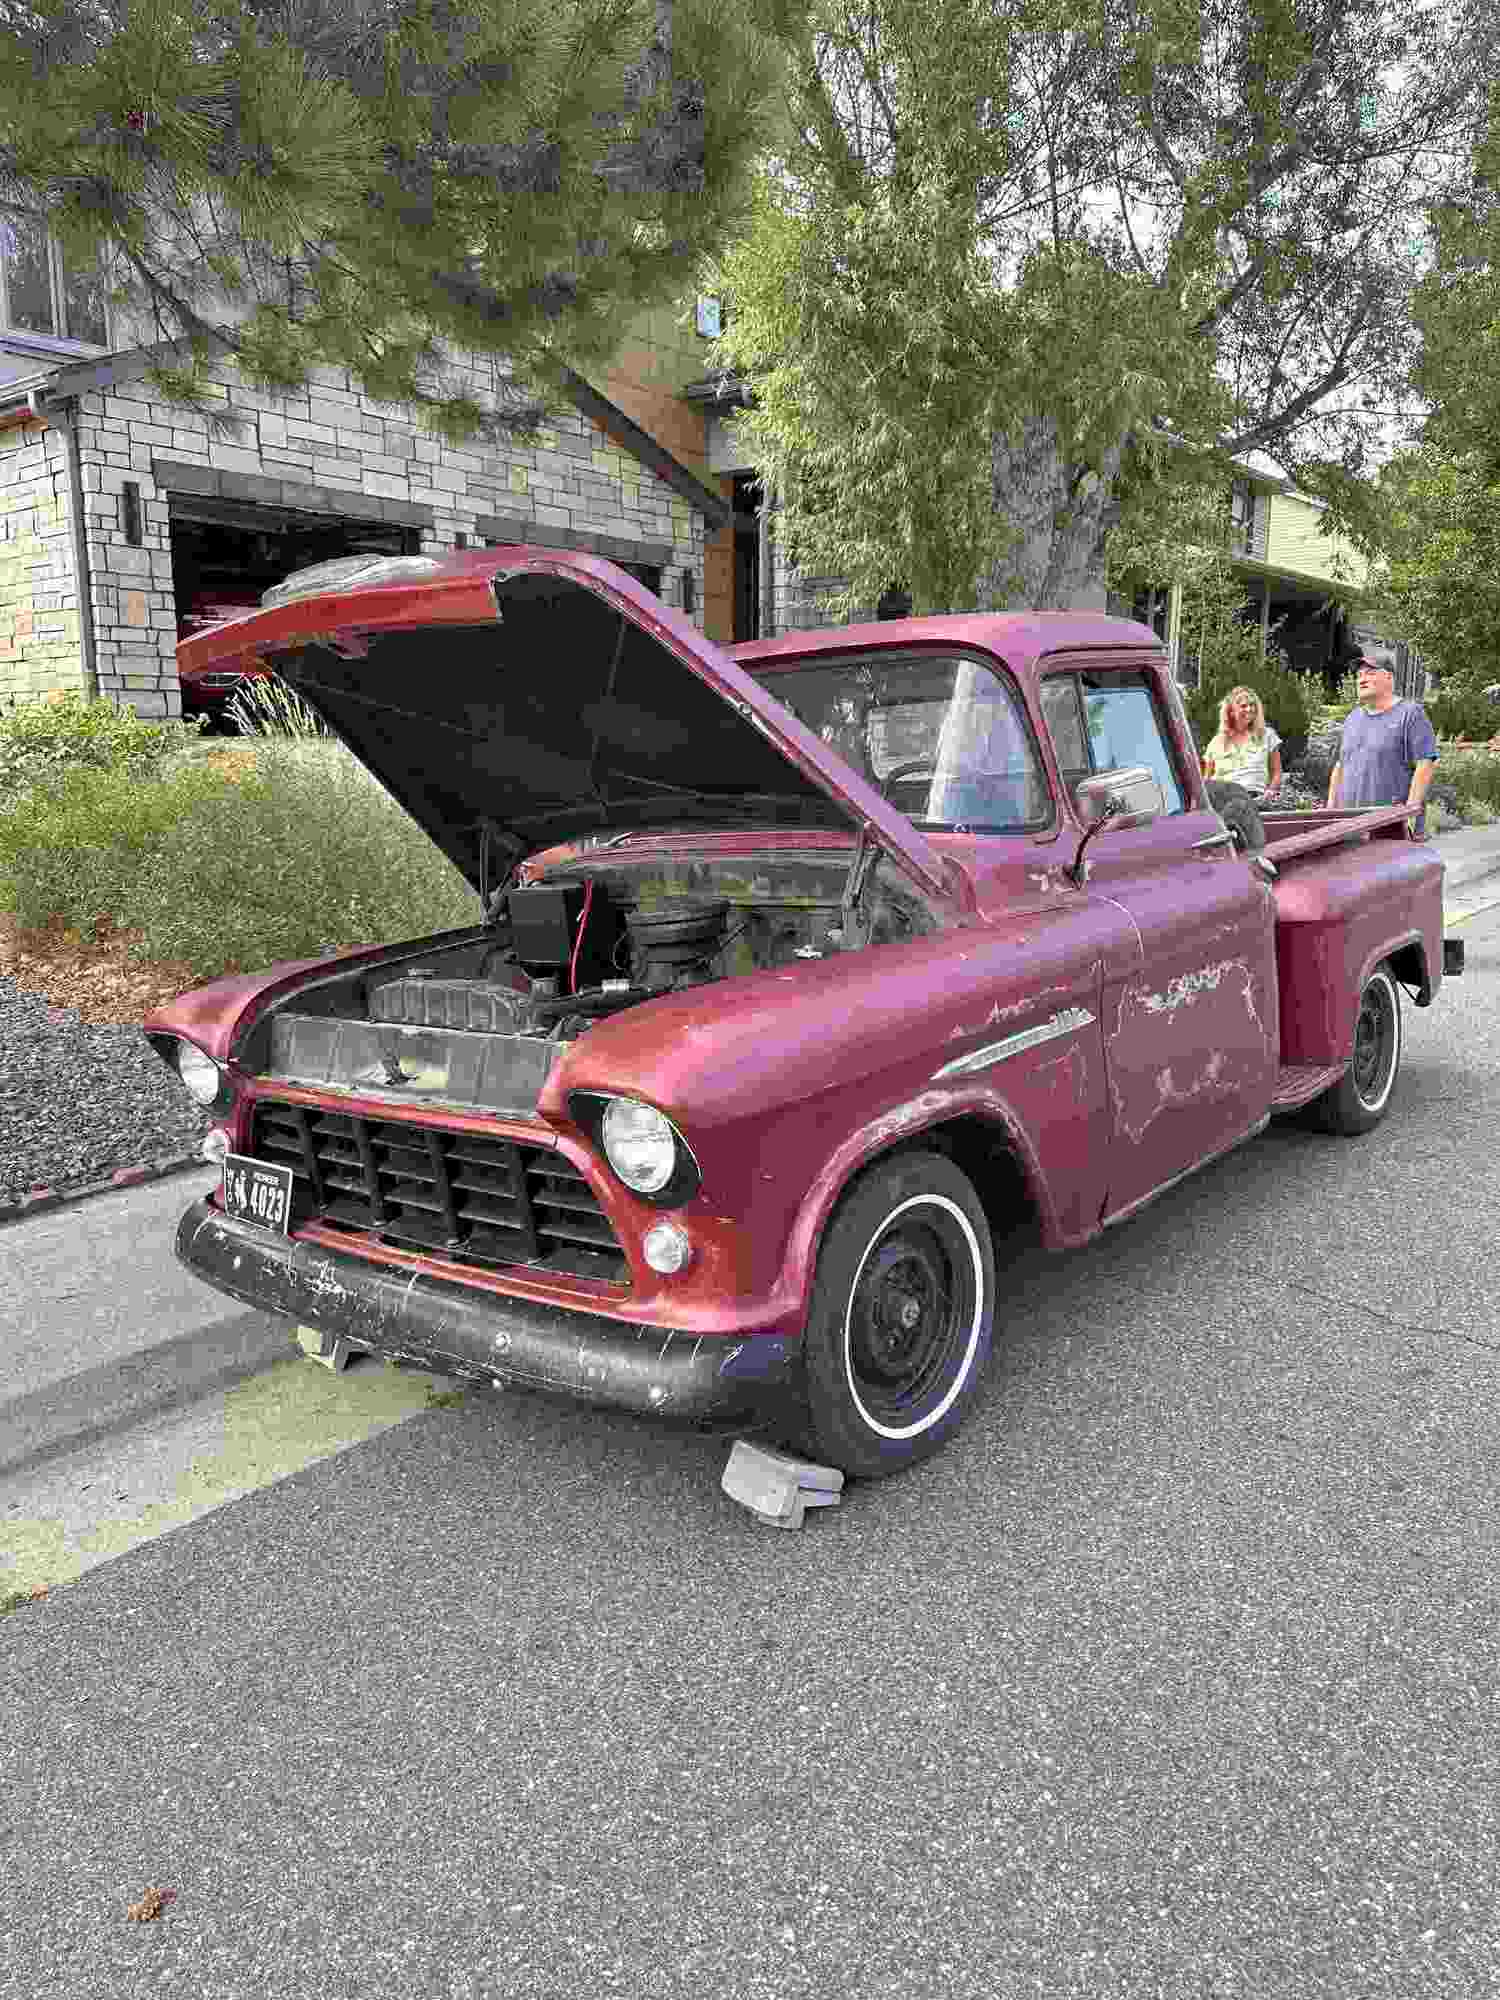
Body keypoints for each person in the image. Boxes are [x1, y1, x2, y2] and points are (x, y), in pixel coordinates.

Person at [1327, 657, 1438, 833]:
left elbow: (1425, 765)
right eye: (1359, 675)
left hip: (1391, 828)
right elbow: (1339, 767)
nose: (1362, 680)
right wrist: (1330, 813)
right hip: (1349, 828)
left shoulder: (1410, 714)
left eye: (1370, 673)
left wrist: (1409, 815)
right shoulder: (1352, 719)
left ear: (1389, 677)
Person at [1201, 685, 1283, 799]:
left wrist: (1270, 791)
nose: (1249, 709)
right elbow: (1207, 779)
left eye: (1252, 705)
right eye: (1243, 706)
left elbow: (1277, 773)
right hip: (1223, 798)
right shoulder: (1217, 741)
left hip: (1253, 797)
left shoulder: (1266, 735)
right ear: (1231, 712)